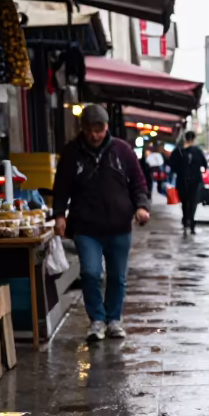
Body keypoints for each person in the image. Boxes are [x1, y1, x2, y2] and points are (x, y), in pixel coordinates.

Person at [51, 104, 150, 341]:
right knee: (90, 273)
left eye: (99, 129)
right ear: (83, 129)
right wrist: (59, 215)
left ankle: (113, 320)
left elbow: (138, 182)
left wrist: (142, 206)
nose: (95, 135)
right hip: (86, 227)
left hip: (119, 226)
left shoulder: (122, 150)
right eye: (90, 130)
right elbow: (61, 188)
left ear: (106, 127)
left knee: (117, 277)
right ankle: (97, 320)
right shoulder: (71, 153)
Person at [169, 131, 208, 235]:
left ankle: (187, 220)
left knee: (185, 202)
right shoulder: (197, 151)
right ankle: (190, 220)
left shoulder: (178, 151)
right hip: (194, 181)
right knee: (192, 202)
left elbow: (172, 165)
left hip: (183, 180)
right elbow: (204, 165)